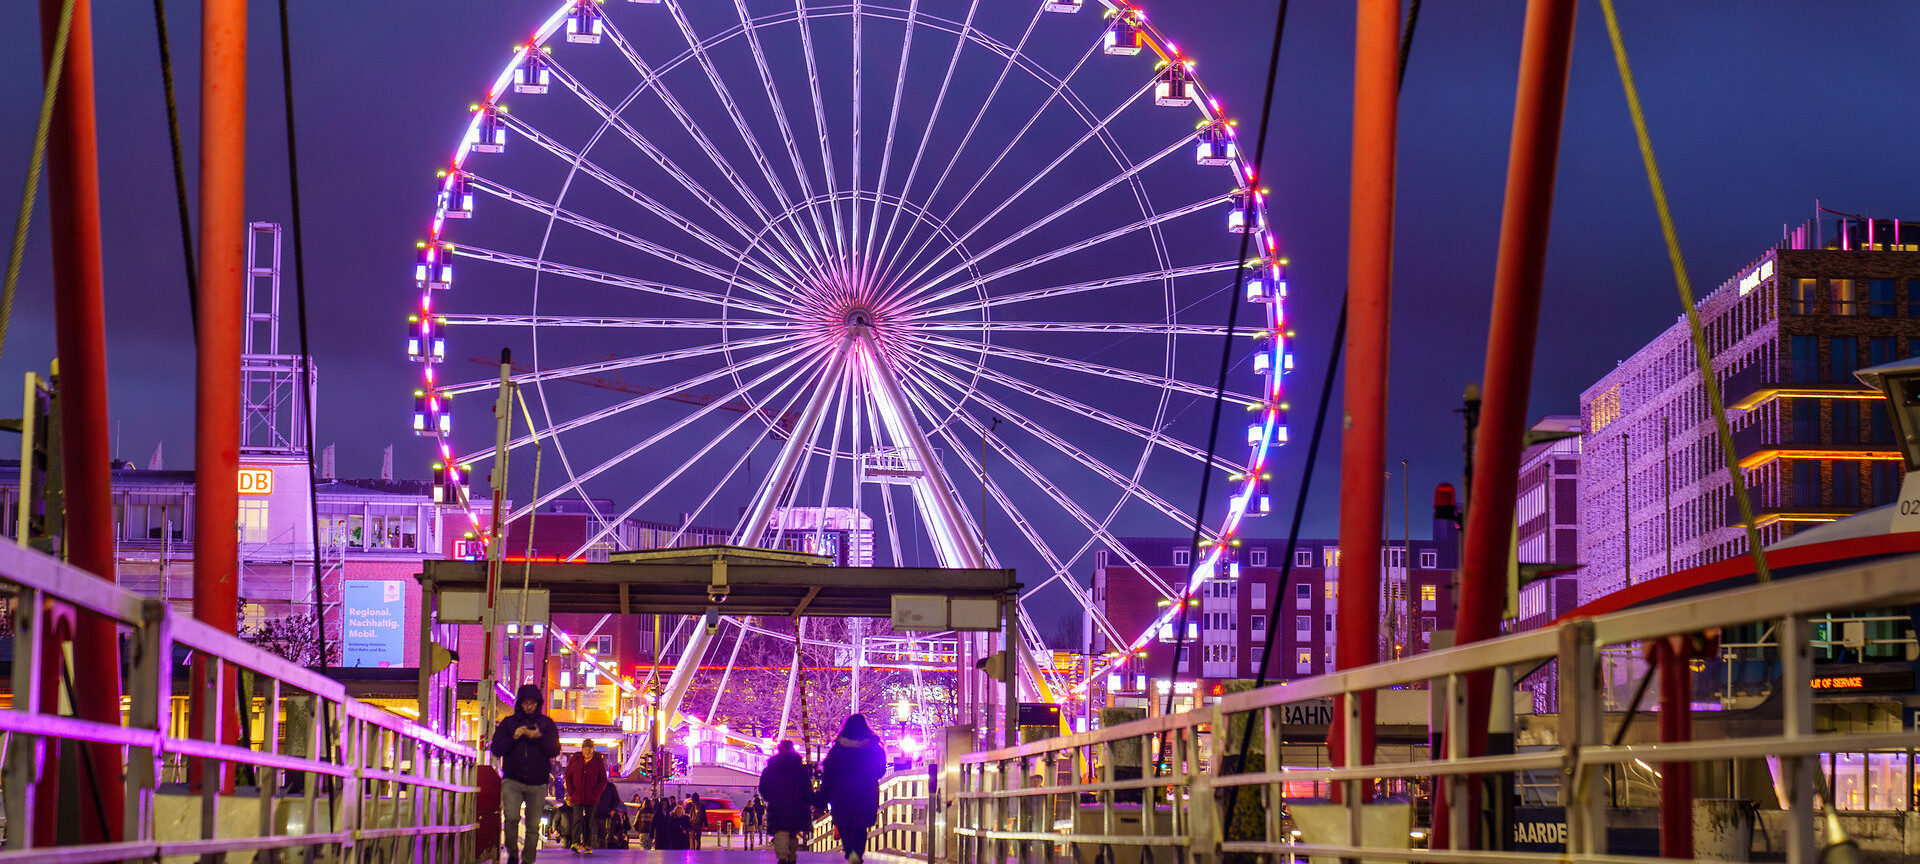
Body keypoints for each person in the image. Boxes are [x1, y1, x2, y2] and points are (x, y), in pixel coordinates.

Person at [490, 684, 562, 864]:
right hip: (512, 780)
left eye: (532, 703)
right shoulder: (508, 724)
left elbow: (554, 749)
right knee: (511, 818)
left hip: (537, 782)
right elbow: (497, 749)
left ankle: (528, 860)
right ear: (519, 704)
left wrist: (539, 737)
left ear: (538, 703)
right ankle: (513, 854)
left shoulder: (546, 724)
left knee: (532, 825)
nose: (529, 707)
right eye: (525, 703)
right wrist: (514, 737)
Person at [818, 714, 887, 864]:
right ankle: (858, 854)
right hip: (866, 792)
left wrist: (824, 794)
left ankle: (850, 853)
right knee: (860, 826)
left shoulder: (838, 749)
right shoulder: (874, 748)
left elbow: (829, 773)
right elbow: (880, 770)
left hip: (842, 792)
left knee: (845, 824)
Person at [760, 741, 815, 864]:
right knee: (792, 832)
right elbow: (806, 789)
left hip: (777, 805)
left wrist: (772, 798)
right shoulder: (800, 768)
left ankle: (782, 856)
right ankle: (792, 855)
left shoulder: (771, 768)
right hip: (797, 806)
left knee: (780, 831)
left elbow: (763, 787)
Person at [564, 740, 608, 854]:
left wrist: (596, 793)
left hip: (591, 797)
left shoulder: (598, 762)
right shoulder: (575, 760)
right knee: (577, 819)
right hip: (577, 795)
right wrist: (571, 791)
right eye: (585, 749)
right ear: (582, 750)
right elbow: (568, 775)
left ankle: (587, 844)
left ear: (593, 750)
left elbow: (603, 780)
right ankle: (575, 843)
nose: (587, 751)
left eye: (589, 749)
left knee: (589, 821)